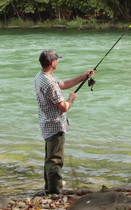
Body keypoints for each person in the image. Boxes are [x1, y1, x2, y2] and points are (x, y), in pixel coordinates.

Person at [34, 50, 95, 195]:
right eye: (57, 59)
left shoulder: (41, 76)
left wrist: (83, 76)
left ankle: (49, 187)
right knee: (55, 159)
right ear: (52, 63)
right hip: (55, 125)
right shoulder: (49, 84)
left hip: (46, 124)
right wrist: (71, 98)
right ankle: (55, 192)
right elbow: (64, 107)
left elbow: (63, 84)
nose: (58, 61)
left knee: (49, 158)